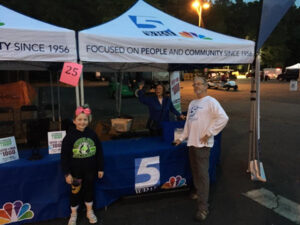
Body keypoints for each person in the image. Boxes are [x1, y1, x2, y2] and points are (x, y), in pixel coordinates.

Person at [174, 77, 229, 221]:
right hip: (192, 143)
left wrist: (209, 133)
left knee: (203, 175)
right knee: (196, 171)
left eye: (199, 83)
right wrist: (181, 138)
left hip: (203, 145)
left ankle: (203, 208)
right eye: (194, 84)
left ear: (205, 86)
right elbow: (188, 124)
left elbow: (223, 118)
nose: (195, 86)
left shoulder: (211, 101)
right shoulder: (192, 103)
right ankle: (199, 192)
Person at [61, 105, 104, 225]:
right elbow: (64, 157)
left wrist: (100, 168)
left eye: (85, 119)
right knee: (75, 193)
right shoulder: (69, 137)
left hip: (90, 171)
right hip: (75, 173)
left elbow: (99, 152)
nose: (82, 122)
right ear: (74, 121)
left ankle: (89, 211)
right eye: (79, 119)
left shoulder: (92, 134)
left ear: (88, 120)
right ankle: (73, 213)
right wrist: (66, 173)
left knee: (89, 191)